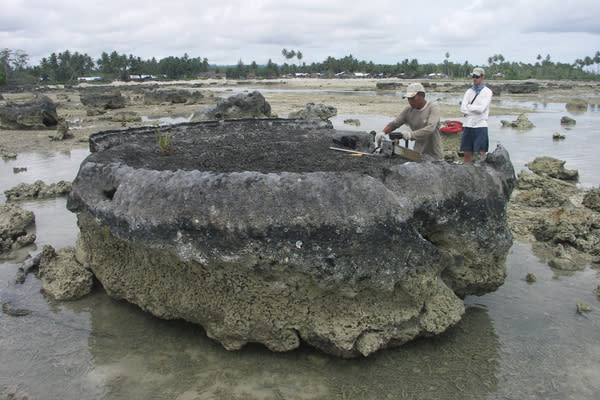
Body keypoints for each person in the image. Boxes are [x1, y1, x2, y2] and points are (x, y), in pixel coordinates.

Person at [375, 82, 443, 160]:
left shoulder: (433, 107)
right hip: (418, 152)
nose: (410, 101)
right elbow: (395, 123)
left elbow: (431, 128)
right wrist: (383, 132)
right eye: (408, 99)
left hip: (433, 153)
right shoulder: (409, 109)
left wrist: (411, 135)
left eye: (413, 98)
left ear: (422, 95)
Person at [460, 67, 493, 162]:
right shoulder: (469, 92)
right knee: (466, 154)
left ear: (482, 77)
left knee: (481, 155)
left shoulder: (487, 92)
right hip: (468, 125)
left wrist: (469, 107)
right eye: (473, 76)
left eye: (477, 77)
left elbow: (481, 109)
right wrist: (473, 108)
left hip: (480, 126)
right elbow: (462, 108)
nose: (475, 79)